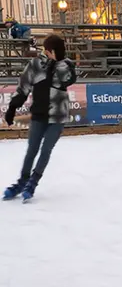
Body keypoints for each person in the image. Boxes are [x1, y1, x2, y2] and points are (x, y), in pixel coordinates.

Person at [3, 34, 76, 202]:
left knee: (45, 150)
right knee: (31, 150)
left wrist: (57, 61)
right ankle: (22, 182)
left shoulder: (66, 65)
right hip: (39, 115)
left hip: (58, 116)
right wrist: (12, 108)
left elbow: (67, 80)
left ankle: (33, 183)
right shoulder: (35, 65)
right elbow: (24, 87)